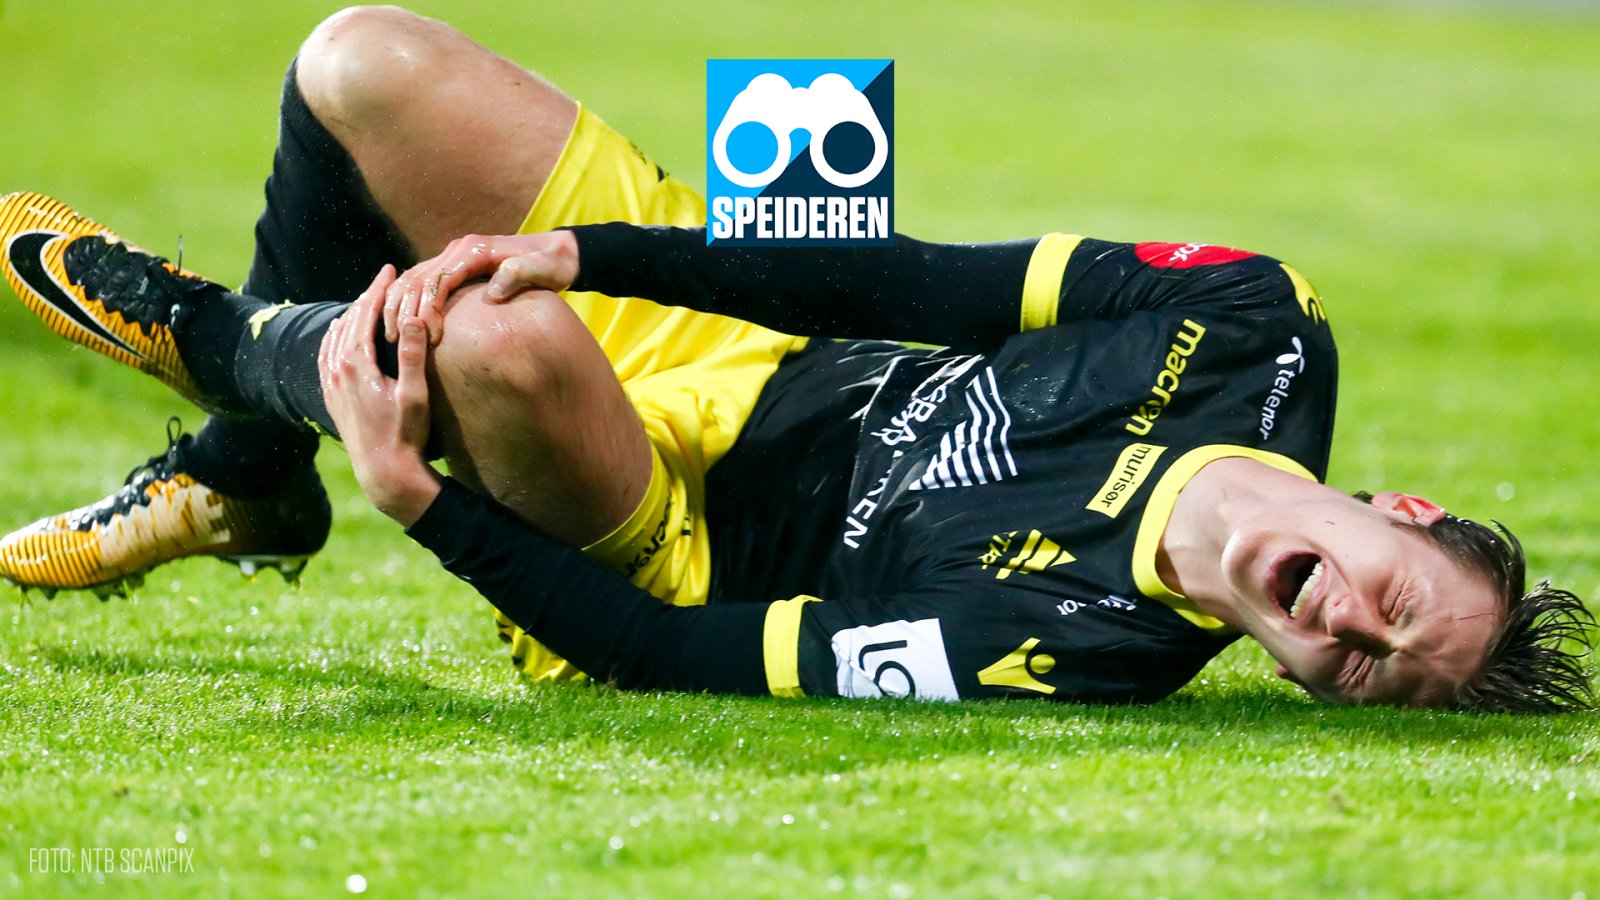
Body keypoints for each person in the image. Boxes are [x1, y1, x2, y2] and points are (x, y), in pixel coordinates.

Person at [0, 7, 1590, 712]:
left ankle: (213, 347)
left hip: (665, 525)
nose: (1350, 627)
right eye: (1399, 602)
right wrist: (596, 254)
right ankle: (250, 466)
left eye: (1364, 670)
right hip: (741, 344)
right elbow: (905, 275)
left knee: (485, 332)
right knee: (363, 59)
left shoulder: (1071, 648)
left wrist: (425, 507)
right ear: (1401, 510)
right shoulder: (1257, 329)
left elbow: (664, 655)